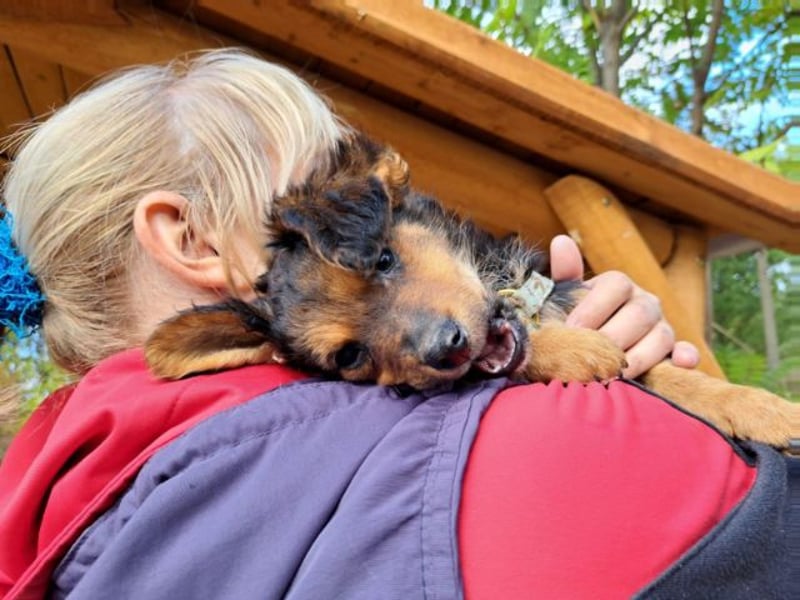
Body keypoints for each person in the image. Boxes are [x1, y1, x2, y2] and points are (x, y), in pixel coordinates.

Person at [0, 49, 793, 600]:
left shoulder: (70, 518)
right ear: (192, 239)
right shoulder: (518, 448)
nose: (378, 185)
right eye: (325, 178)